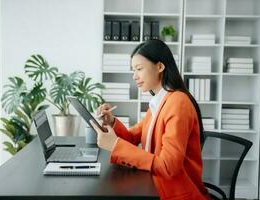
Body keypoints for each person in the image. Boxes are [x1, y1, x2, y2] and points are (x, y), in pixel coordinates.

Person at [90, 39, 210, 200]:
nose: (134, 76)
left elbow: (168, 167)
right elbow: (132, 138)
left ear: (160, 66)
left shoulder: (178, 103)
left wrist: (115, 145)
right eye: (134, 70)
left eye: (139, 69)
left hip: (176, 191)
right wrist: (111, 121)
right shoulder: (159, 101)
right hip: (155, 184)